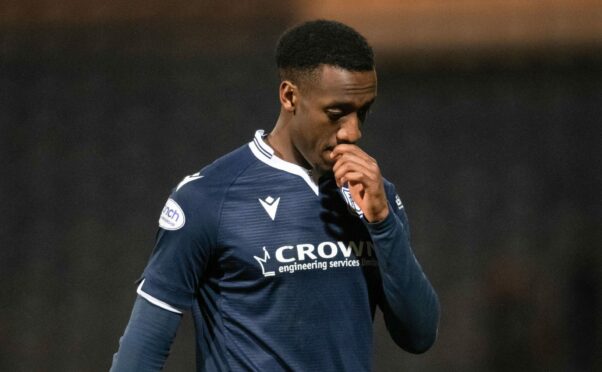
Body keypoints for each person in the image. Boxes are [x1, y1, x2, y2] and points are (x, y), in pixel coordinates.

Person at [110, 19, 440, 371]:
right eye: (336, 113)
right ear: (289, 96)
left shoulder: (373, 197)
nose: (353, 132)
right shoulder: (207, 198)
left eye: (363, 112)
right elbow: (140, 353)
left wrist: (383, 224)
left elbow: (418, 335)